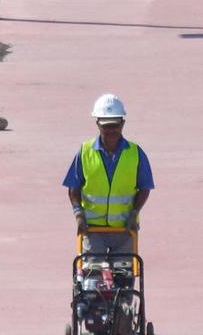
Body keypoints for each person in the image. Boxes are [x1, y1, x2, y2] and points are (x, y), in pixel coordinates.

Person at [63, 93, 153, 256]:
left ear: (122, 123)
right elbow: (73, 188)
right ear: (98, 124)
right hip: (92, 229)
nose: (111, 130)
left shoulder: (135, 154)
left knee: (123, 275)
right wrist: (78, 215)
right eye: (106, 126)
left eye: (115, 125)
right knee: (93, 274)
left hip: (125, 229)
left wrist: (134, 213)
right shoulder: (85, 152)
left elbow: (145, 188)